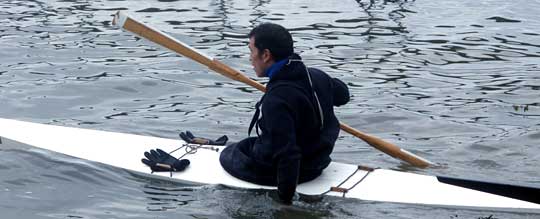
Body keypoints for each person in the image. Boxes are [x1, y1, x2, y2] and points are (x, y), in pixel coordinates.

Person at [217, 23, 350, 204]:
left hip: (296, 171)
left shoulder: (276, 100)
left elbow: (288, 156)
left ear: (265, 55)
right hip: (319, 162)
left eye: (251, 51)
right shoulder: (316, 76)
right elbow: (343, 96)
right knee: (249, 144)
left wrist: (284, 204)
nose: (250, 58)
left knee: (231, 153)